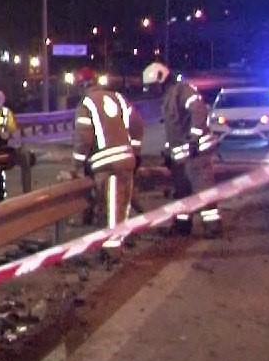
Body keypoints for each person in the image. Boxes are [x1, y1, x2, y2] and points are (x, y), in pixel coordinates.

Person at [71, 67, 144, 262]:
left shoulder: (86, 103)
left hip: (106, 165)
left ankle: (111, 252)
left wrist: (77, 165)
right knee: (122, 205)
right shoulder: (119, 98)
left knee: (110, 208)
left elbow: (83, 138)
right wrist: (134, 152)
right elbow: (137, 124)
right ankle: (117, 243)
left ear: (80, 86)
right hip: (127, 161)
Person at [159, 69, 220, 237]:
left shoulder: (182, 91)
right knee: (182, 191)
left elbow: (198, 111)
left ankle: (212, 227)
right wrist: (168, 151)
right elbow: (174, 130)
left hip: (197, 153)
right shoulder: (170, 96)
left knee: (203, 189)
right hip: (183, 156)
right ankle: (182, 225)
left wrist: (194, 138)